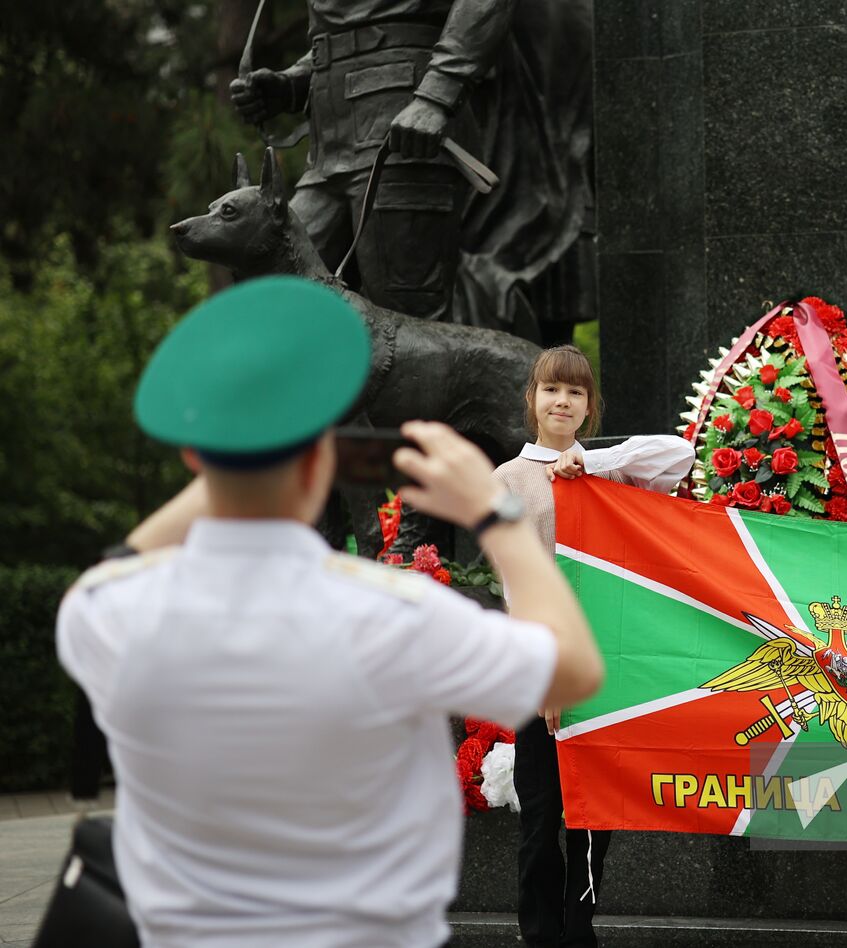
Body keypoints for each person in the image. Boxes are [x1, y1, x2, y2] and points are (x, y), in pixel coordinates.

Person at [56, 276, 602, 948]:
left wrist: (234, 453)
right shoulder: (395, 616)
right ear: (324, 458)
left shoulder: (106, 611)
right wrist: (497, 516)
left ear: (194, 458)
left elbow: (117, 560)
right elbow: (573, 671)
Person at [493, 344, 694, 948]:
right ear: (532, 399)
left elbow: (680, 454)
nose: (563, 401)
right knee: (540, 821)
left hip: (606, 671)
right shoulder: (508, 479)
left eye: (576, 392)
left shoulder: (610, 473)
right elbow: (517, 584)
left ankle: (579, 937)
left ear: (589, 406)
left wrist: (592, 467)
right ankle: (541, 937)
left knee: (590, 822)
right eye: (552, 389)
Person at [230, 0, 515, 321]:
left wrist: (438, 93)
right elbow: (359, 30)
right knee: (276, 302)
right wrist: (291, 85)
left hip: (401, 132)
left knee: (407, 323)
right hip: (329, 147)